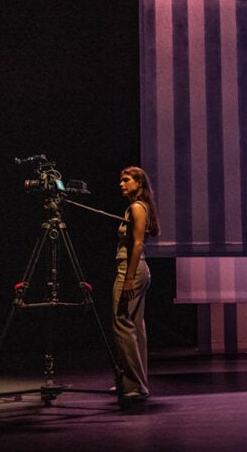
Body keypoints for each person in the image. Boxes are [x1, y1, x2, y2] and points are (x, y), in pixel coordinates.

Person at [112, 166, 160, 400]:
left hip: (131, 268)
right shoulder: (136, 207)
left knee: (122, 322)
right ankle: (134, 381)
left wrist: (129, 277)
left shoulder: (136, 207)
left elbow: (138, 244)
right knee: (134, 325)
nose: (122, 184)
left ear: (138, 183)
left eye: (127, 180)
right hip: (136, 268)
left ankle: (134, 385)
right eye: (121, 180)